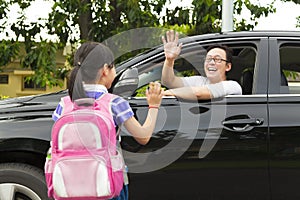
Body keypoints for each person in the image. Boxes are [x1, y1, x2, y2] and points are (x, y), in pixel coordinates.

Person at [52, 41, 163, 200]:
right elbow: (143, 136)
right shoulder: (114, 103)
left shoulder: (64, 104)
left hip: (69, 185)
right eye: (113, 67)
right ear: (105, 70)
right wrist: (153, 106)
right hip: (105, 185)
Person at [161, 30, 242, 100]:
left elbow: (198, 93)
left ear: (228, 67)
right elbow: (169, 81)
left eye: (217, 59)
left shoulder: (233, 86)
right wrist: (169, 60)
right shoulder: (199, 81)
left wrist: (166, 93)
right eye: (209, 59)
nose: (212, 62)